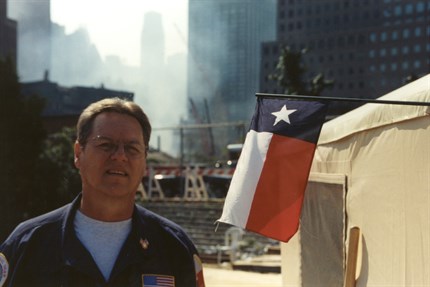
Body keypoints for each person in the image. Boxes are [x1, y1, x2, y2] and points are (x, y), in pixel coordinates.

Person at [0, 98, 205, 287]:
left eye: (132, 149)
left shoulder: (174, 248)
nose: (119, 156)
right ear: (79, 154)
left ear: (144, 161)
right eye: (106, 145)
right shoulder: (28, 245)